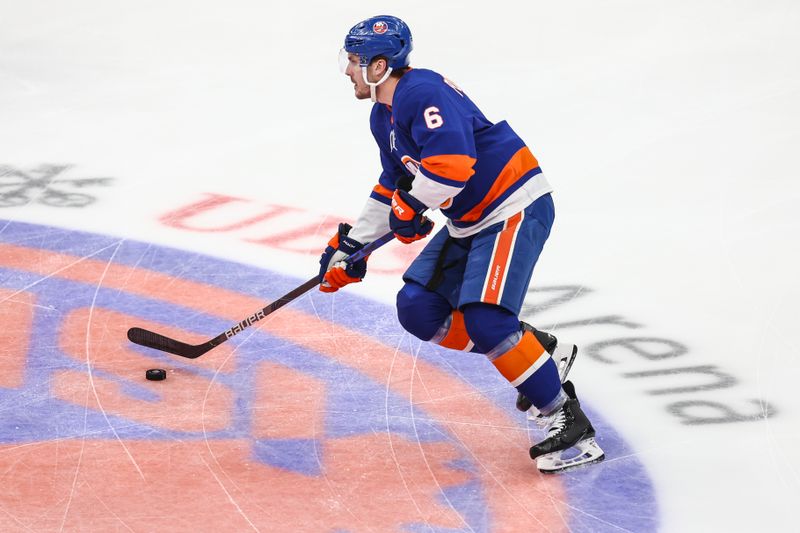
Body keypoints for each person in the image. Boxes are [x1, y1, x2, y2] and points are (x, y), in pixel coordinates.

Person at [318, 15, 604, 473]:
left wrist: (410, 206)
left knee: (487, 320)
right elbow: (393, 181)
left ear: (378, 66)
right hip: (470, 220)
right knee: (418, 309)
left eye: (354, 61)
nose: (347, 70)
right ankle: (535, 350)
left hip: (512, 206)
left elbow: (454, 164)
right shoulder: (383, 114)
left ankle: (567, 420)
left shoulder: (421, 91)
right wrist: (353, 246)